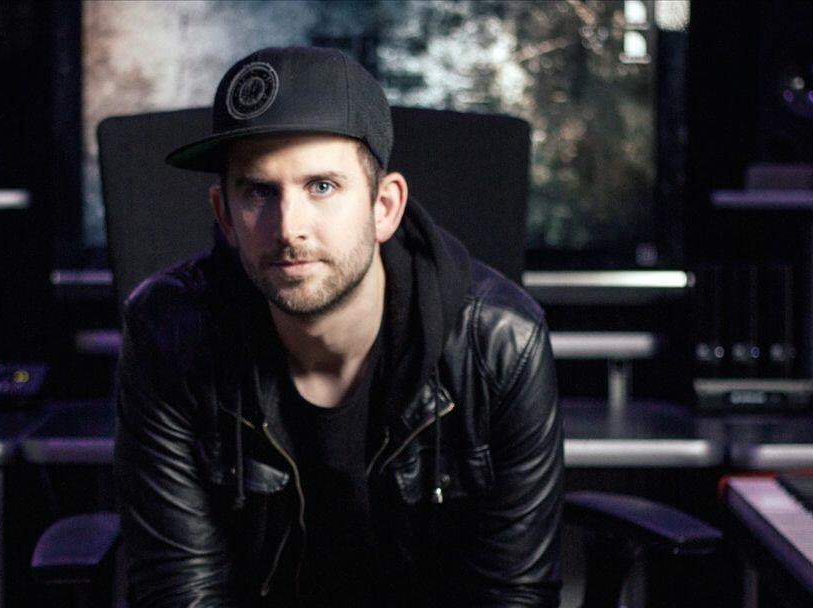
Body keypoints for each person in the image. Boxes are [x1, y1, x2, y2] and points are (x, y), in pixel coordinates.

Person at [115, 46, 563, 607]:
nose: (289, 228)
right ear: (224, 215)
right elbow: (182, 590)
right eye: (258, 191)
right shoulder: (168, 335)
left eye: (321, 186)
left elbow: (513, 596)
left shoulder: (502, 345)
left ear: (384, 207)